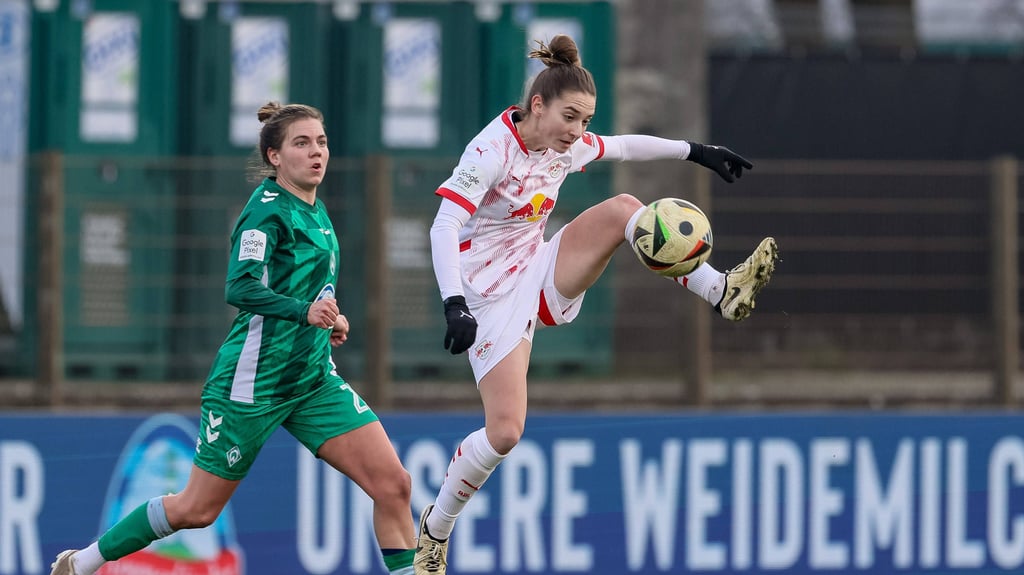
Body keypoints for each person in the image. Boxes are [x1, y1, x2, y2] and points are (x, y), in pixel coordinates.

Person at [411, 35, 778, 574]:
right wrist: (454, 303)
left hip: (537, 268)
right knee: (506, 432)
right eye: (571, 117)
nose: (579, 133)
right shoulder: (489, 151)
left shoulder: (568, 143)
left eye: (585, 121)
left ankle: (720, 291)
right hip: (487, 299)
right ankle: (436, 530)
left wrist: (697, 152)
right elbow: (444, 225)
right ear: (537, 105)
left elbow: (625, 145)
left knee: (626, 208)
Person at [51, 102, 418, 575]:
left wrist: (331, 317)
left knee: (394, 485)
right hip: (252, 385)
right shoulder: (264, 213)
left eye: (321, 142)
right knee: (196, 511)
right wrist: (304, 312)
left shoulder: (317, 208)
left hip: (310, 382)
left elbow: (306, 286)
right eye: (301, 144)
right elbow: (240, 287)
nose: (316, 153)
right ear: (274, 157)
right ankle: (81, 563)